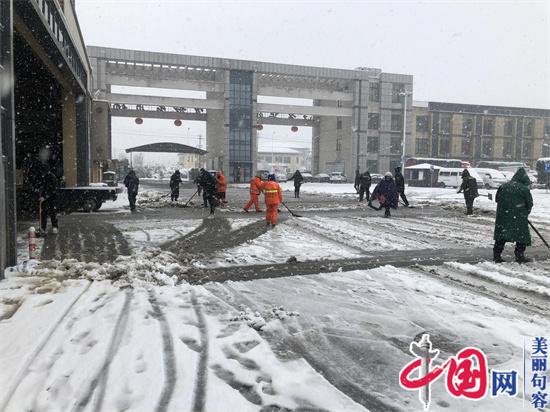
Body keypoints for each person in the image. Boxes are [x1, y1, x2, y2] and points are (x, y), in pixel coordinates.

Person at [493, 168, 533, 263]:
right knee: (521, 236)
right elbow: (529, 204)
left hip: (503, 216)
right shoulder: (524, 189)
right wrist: (524, 213)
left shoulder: (503, 186)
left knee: (501, 236)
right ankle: (519, 256)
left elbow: (497, 199)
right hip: (519, 217)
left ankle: (497, 256)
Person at [38, 168, 59, 236]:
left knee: (52, 212)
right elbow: (42, 187)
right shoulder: (43, 177)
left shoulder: (52, 177)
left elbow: (53, 189)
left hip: (52, 197)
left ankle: (55, 227)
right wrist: (41, 195)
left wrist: (45, 196)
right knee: (44, 212)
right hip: (45, 198)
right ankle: (43, 228)